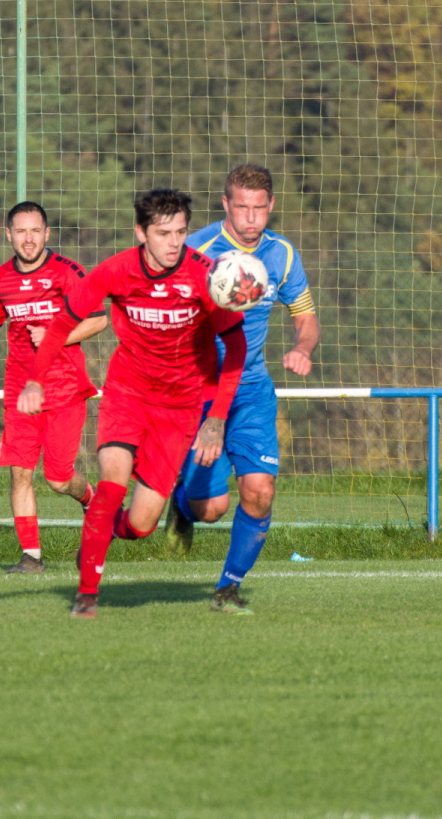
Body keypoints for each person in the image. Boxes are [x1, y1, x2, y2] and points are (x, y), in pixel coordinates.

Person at [19, 189, 247, 618]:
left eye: (180, 232)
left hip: (179, 409)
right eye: (163, 233)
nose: (174, 243)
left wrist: (216, 418)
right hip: (128, 394)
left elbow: (236, 346)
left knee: (140, 525)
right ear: (141, 233)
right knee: (110, 485)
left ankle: (102, 532)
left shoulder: (206, 277)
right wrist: (34, 380)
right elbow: (62, 323)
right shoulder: (116, 270)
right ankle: (86, 597)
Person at [166, 164, 319, 615]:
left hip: (250, 390)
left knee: (260, 490)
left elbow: (306, 317)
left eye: (259, 208)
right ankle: (182, 504)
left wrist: (303, 348)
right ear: (225, 204)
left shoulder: (282, 255)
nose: (251, 218)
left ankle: (227, 589)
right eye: (241, 207)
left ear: (271, 205)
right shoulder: (196, 251)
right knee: (211, 508)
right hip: (199, 391)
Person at [0, 201, 107, 574]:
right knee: (19, 472)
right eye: (21, 231)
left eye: (35, 231)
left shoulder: (68, 272)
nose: (28, 239)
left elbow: (98, 320)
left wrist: (55, 336)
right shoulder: (0, 279)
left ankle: (91, 500)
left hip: (64, 390)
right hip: (20, 393)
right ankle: (31, 557)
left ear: (47, 233)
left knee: (58, 479)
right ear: (9, 235)